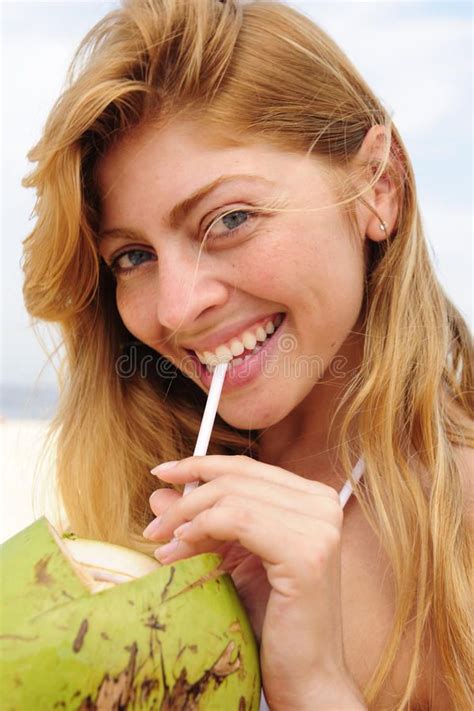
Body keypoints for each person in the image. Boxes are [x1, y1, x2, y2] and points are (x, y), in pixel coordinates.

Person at [22, 0, 472, 708]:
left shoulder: (459, 520)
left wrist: (315, 684)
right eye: (133, 255)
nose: (175, 308)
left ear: (377, 188)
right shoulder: (131, 493)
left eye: (229, 219)